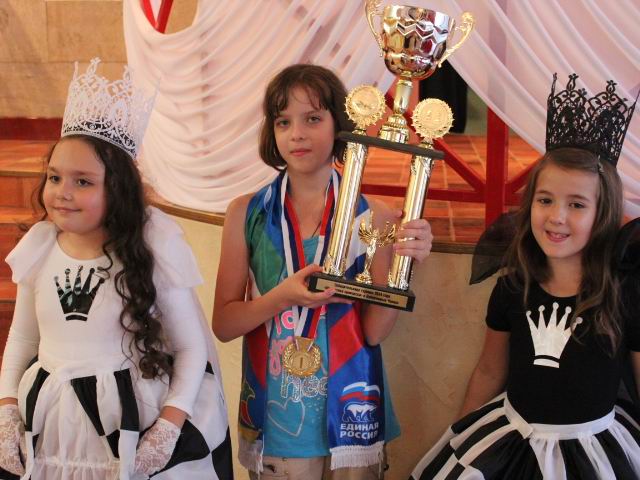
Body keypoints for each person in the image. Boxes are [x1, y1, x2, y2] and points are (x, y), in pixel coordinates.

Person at [0, 58, 231, 480]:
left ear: (118, 189)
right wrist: (7, 408)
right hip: (50, 419)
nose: (62, 193)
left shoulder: (151, 250)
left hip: (126, 418)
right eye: (54, 177)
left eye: (83, 181)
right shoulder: (39, 246)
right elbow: (22, 337)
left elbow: (190, 347)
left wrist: (168, 428)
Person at [411, 74, 640, 479]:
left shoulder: (624, 291)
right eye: (545, 200)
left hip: (596, 448)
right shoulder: (514, 285)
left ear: (603, 213)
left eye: (577, 205)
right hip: (514, 441)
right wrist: (459, 436)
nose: (557, 217)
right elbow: (489, 370)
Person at [212, 64, 433, 479]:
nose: (297, 133)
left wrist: (405, 266)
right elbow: (224, 324)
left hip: (354, 418)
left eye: (312, 118)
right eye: (283, 121)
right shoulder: (247, 214)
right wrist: (283, 296)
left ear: (339, 125)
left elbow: (373, 332)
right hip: (279, 427)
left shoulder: (374, 218)